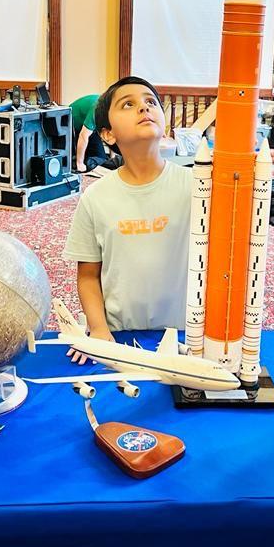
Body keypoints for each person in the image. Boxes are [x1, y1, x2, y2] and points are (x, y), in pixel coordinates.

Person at [62, 77, 190, 362]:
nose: (143, 108)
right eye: (128, 104)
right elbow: (87, 276)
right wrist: (97, 329)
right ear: (107, 134)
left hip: (184, 334)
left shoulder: (195, 187)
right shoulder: (95, 198)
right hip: (120, 335)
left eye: (150, 102)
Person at [69, 93, 108, 173]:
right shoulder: (97, 109)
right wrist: (79, 164)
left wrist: (113, 157)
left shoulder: (114, 112)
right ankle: (78, 161)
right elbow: (83, 136)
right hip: (72, 123)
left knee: (102, 159)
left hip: (89, 127)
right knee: (93, 161)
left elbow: (112, 133)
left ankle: (85, 158)